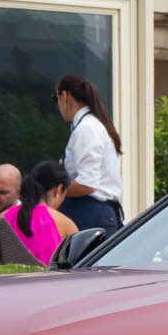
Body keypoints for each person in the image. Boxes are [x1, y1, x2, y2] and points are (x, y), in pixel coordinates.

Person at [56, 72, 125, 231]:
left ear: (65, 96)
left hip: (90, 215)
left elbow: (87, 184)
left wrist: (53, 191)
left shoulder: (87, 128)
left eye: (56, 98)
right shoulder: (91, 126)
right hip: (95, 212)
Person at [3, 160, 77, 265]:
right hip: (49, 276)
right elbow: (80, 263)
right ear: (58, 189)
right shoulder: (65, 224)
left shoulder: (6, 216)